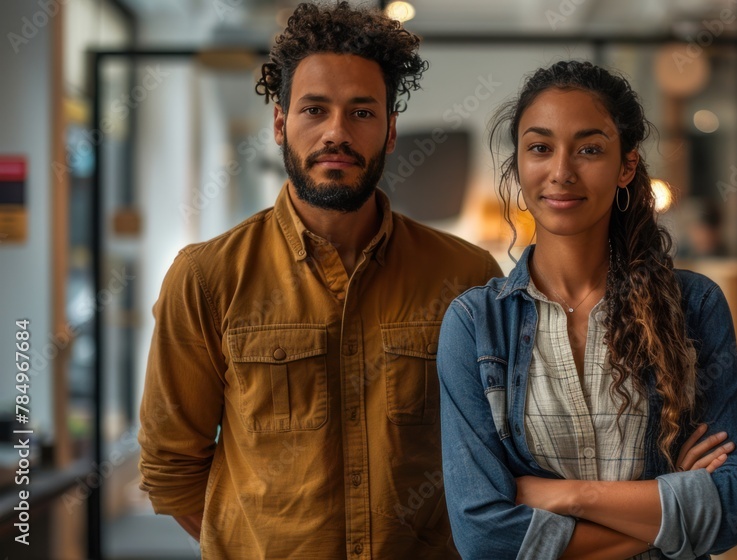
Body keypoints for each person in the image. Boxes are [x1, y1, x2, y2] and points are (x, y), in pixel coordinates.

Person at [137, 3, 501, 558]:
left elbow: (493, 454)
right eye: (314, 109)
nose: (337, 132)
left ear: (391, 130)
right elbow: (172, 468)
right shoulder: (206, 277)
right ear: (280, 123)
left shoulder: (467, 278)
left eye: (361, 112)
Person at [437, 61, 737, 560]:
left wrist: (570, 496)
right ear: (518, 164)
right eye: (540, 148)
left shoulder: (693, 306)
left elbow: (735, 506)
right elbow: (483, 535)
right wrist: (668, 513)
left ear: (626, 166)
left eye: (589, 149)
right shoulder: (476, 325)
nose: (561, 172)